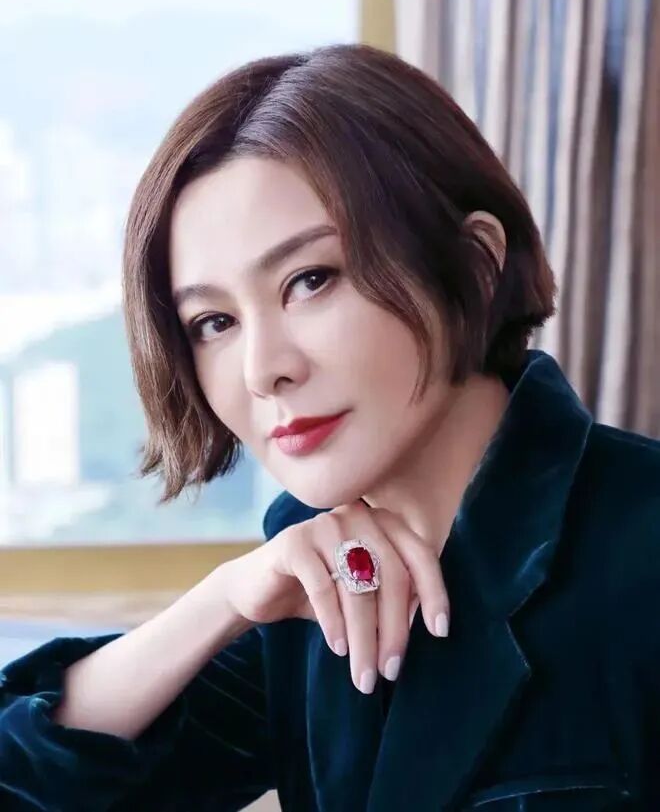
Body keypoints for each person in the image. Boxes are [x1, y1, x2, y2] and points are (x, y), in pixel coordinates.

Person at [0, 42, 658, 812]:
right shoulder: (309, 589)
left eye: (310, 280)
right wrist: (225, 599)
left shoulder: (639, 545)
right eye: (214, 321)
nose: (262, 369)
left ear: (476, 264)